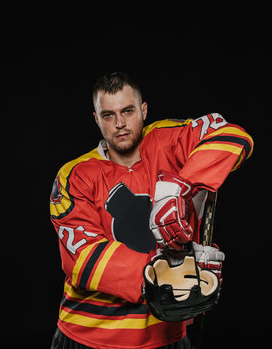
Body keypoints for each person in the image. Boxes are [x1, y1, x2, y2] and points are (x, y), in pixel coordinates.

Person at [49, 72, 253, 349]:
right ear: (96, 119)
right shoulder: (75, 175)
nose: (120, 124)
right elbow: (82, 259)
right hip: (90, 334)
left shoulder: (169, 140)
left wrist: (181, 187)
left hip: (166, 334)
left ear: (143, 110)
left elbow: (232, 135)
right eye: (108, 115)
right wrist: (175, 272)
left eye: (128, 111)